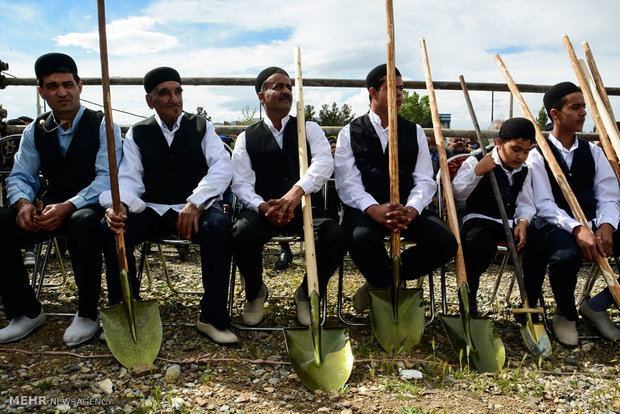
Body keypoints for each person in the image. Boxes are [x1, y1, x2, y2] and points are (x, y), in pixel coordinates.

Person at [100, 67, 237, 344]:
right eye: (165, 93)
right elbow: (129, 177)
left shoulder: (201, 126)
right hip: (153, 208)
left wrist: (196, 202)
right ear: (150, 100)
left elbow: (222, 167)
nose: (174, 99)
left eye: (178, 91)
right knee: (111, 227)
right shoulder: (138, 132)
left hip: (194, 208)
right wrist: (121, 204)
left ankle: (211, 317)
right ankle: (127, 310)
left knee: (220, 227)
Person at [0, 53, 122, 346]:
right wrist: (23, 204)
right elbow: (21, 176)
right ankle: (25, 312)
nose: (62, 92)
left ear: (80, 86)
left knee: (82, 223)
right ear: (42, 91)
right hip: (49, 207)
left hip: (91, 207)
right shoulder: (35, 129)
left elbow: (108, 178)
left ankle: (87, 313)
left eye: (68, 84)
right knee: (0, 222)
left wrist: (71, 205)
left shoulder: (104, 125)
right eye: (52, 86)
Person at [334, 64, 457, 313]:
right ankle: (385, 283)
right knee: (359, 238)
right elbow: (347, 181)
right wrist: (373, 209)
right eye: (393, 88)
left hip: (406, 206)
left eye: (402, 88)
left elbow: (424, 178)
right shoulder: (350, 132)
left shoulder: (415, 131)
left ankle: (382, 281)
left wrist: (411, 209)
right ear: (373, 92)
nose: (400, 94)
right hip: (366, 208)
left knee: (445, 243)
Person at [231, 66, 345, 326]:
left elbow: (324, 164)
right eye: (278, 86)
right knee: (240, 233)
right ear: (262, 97)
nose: (286, 91)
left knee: (334, 236)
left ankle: (307, 293)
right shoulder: (246, 138)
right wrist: (261, 206)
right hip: (265, 209)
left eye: (289, 87)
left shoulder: (310, 128)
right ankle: (254, 292)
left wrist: (297, 192)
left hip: (305, 207)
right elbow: (241, 182)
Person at [524, 81, 620, 346]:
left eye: (584, 107)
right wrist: (578, 229)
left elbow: (609, 194)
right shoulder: (537, 155)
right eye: (575, 108)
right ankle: (566, 314)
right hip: (557, 224)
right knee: (564, 257)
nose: (583, 113)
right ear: (555, 114)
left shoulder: (594, 151)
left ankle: (598, 305)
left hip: (595, 222)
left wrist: (606, 226)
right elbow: (544, 204)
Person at [452, 118, 536, 316]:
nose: (521, 156)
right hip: (480, 218)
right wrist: (478, 172)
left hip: (509, 221)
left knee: (538, 245)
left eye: (526, 152)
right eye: (515, 149)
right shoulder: (476, 159)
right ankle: (469, 297)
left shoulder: (524, 171)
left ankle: (530, 303)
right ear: (499, 143)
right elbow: (457, 192)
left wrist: (524, 221)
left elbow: (526, 202)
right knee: (477, 243)